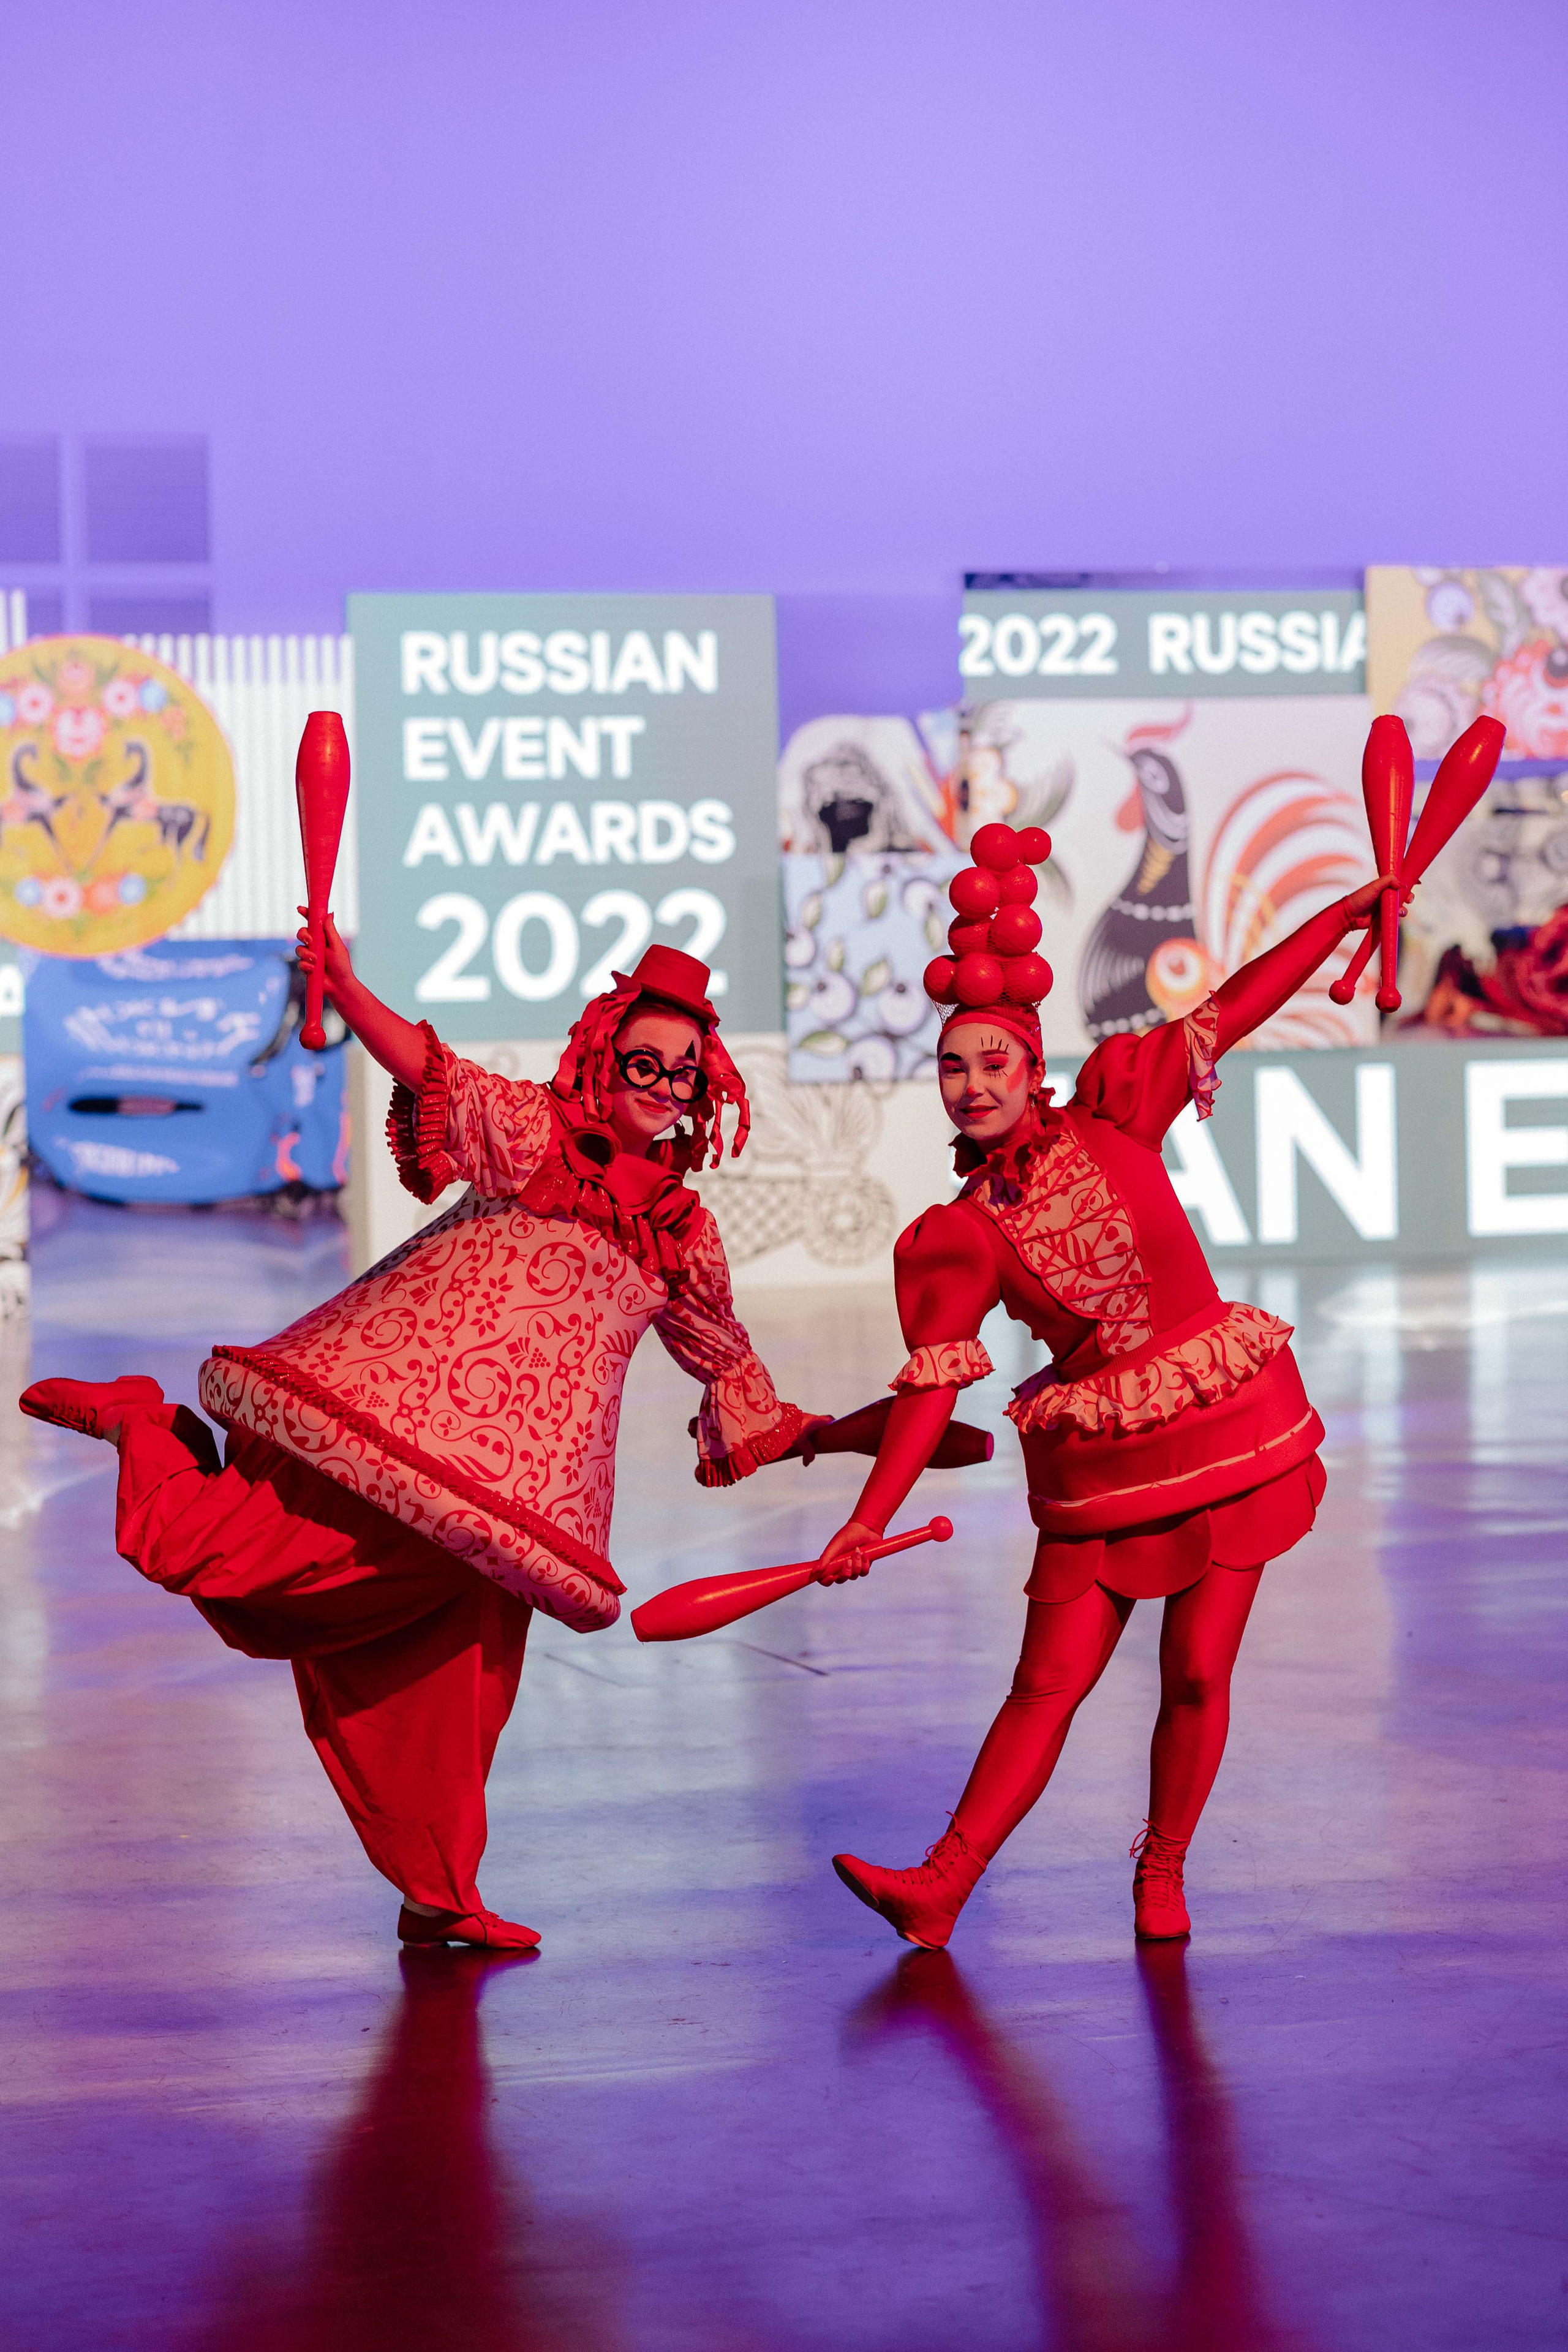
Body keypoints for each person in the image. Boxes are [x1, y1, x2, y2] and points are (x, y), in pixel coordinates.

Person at [23, 925, 821, 1952]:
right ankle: (147, 1421)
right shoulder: (535, 1135)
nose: (666, 1087)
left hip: (519, 1500)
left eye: (685, 1075)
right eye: (645, 1065)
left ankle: (441, 1894)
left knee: (459, 1697)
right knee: (210, 1558)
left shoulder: (682, 1233)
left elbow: (729, 1368)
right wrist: (349, 987)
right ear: (601, 1060)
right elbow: (428, 1066)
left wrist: (857, 1434)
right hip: (397, 1435)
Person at [821, 820, 1401, 1950]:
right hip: (1106, 1466)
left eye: (995, 1063)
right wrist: (865, 1519)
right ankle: (940, 1884)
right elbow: (933, 1394)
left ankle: (1164, 1865)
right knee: (1046, 1684)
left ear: (1035, 1069)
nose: (974, 1084)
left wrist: (1346, 911)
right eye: (954, 1066)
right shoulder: (957, 1236)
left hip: (1225, 1426)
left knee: (1195, 1671)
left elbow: (1238, 1000)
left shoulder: (1122, 1102)